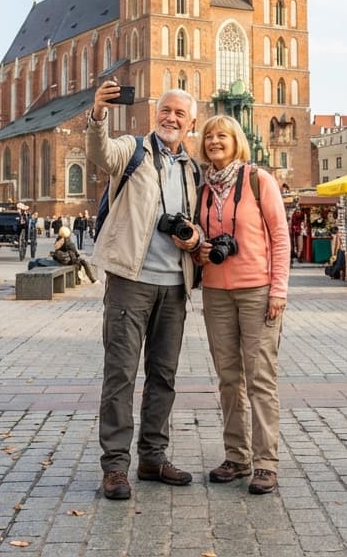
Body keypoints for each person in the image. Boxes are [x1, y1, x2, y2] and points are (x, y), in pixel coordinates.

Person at [86, 81, 204, 501]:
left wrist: (194, 239)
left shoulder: (193, 168)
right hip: (130, 281)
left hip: (174, 285)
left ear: (191, 123)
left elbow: (197, 219)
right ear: (157, 114)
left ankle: (153, 456)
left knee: (164, 376)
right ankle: (115, 467)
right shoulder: (133, 150)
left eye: (180, 115)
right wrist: (98, 114)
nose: (171, 119)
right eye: (166, 111)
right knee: (120, 374)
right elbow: (99, 154)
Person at [193, 115, 290, 495]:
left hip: (257, 290)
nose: (215, 141)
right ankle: (237, 456)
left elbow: (280, 238)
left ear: (237, 141)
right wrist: (198, 249)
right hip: (216, 291)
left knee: (260, 378)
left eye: (223, 136)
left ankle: (266, 463)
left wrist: (278, 290)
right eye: (209, 136)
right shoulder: (201, 187)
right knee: (229, 379)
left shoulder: (257, 180)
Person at [26, 226, 98, 283]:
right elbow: (75, 253)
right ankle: (93, 279)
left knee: (35, 262)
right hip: (63, 261)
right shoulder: (67, 241)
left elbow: (59, 252)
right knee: (37, 262)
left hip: (60, 262)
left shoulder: (60, 240)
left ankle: (29, 279)